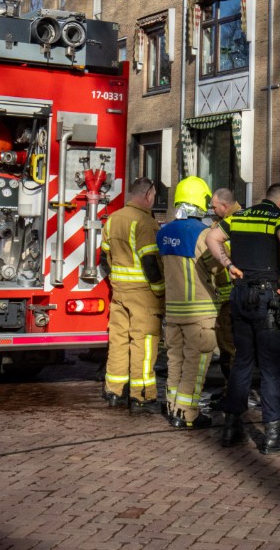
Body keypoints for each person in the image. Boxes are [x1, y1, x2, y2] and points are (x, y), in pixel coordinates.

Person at [205, 182, 280, 454]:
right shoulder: (279, 219)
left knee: (242, 362)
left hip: (240, 296)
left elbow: (213, 239)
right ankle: (273, 435)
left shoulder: (239, 217)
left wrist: (229, 265)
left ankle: (232, 426)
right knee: (270, 367)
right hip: (268, 298)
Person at [156, 177, 220, 429]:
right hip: (200, 313)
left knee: (174, 360)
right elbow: (216, 269)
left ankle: (172, 406)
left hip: (172, 311)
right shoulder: (204, 234)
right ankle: (187, 413)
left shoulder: (164, 232)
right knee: (195, 363)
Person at [99, 177, 165, 414]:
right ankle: (143, 396)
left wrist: (116, 281)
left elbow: (104, 258)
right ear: (148, 194)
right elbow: (150, 261)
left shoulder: (113, 219)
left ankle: (114, 391)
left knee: (118, 340)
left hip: (120, 292)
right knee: (144, 343)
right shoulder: (144, 222)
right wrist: (159, 290)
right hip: (144, 294)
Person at [208, 187, 242, 406]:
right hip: (228, 296)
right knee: (228, 346)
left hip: (230, 296)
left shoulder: (234, 224)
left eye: (214, 206)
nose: (211, 209)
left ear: (224, 206)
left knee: (230, 347)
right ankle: (230, 390)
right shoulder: (229, 221)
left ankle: (233, 394)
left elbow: (224, 256)